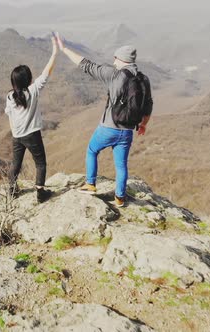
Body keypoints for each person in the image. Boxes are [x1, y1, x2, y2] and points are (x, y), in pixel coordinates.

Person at [55, 33, 153, 207]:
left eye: (115, 58)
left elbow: (86, 65)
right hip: (128, 130)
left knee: (92, 150)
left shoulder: (114, 74)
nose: (114, 61)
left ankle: (90, 184)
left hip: (109, 127)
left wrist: (64, 49)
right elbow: (148, 105)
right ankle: (120, 198)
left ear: (121, 59)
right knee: (121, 166)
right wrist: (143, 124)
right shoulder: (143, 79)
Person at [5, 35, 58, 203]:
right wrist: (55, 52)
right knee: (40, 163)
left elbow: (9, 114)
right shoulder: (33, 91)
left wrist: (15, 129)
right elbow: (46, 73)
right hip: (32, 135)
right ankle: (41, 193)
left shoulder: (9, 97)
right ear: (28, 80)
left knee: (16, 164)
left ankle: (12, 190)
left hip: (17, 135)